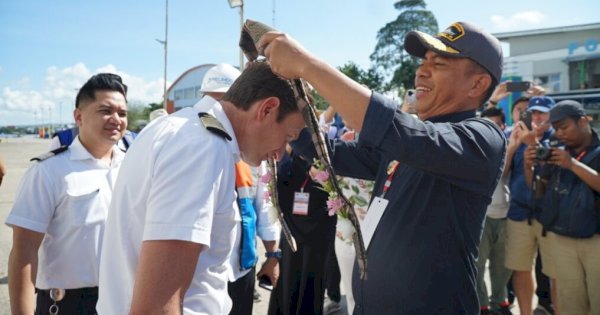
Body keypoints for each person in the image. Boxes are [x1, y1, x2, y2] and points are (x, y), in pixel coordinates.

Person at [261, 21, 506, 314]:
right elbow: (332, 154)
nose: (421, 71)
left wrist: (306, 65)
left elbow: (398, 132)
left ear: (477, 84)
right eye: (423, 61)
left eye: (439, 63)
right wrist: (290, 117)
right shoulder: (412, 142)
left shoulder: (481, 138)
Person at [97, 61, 306, 314]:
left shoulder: (183, 129)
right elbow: (158, 306)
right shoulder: (203, 147)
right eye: (288, 136)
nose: (279, 154)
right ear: (267, 109)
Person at [5, 73, 129, 314]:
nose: (116, 119)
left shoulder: (133, 167)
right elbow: (24, 251)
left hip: (122, 299)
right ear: (78, 116)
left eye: (122, 113)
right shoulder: (49, 171)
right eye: (106, 110)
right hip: (67, 304)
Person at [196, 63, 282, 315]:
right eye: (213, 103)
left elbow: (263, 207)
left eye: (225, 102)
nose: (219, 112)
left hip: (240, 267)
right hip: (201, 273)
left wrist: (273, 254)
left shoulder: (253, 155)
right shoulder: (191, 144)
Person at [524, 100, 600, 315]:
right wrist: (529, 165)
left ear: (583, 121)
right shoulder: (556, 151)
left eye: (564, 127)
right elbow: (539, 192)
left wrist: (572, 165)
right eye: (556, 129)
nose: (560, 133)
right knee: (570, 304)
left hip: (596, 239)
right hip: (562, 237)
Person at [503, 96, 560, 315]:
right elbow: (503, 174)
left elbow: (550, 177)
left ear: (551, 116)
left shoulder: (558, 138)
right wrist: (514, 146)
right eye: (533, 112)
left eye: (542, 113)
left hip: (550, 217)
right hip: (518, 213)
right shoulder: (512, 135)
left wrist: (532, 143)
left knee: (555, 273)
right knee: (520, 269)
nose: (536, 117)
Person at [267, 148, 337, 315]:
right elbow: (280, 184)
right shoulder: (285, 153)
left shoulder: (322, 150)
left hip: (317, 233)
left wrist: (308, 163)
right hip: (291, 229)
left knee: (310, 286)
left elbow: (331, 189)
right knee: (287, 284)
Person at [477, 108, 513, 315]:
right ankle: (482, 305)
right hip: (482, 217)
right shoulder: (475, 150)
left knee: (502, 266)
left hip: (507, 216)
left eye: (495, 125)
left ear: (503, 127)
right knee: (478, 266)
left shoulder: (512, 147)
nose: (490, 129)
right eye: (486, 124)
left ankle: (500, 301)